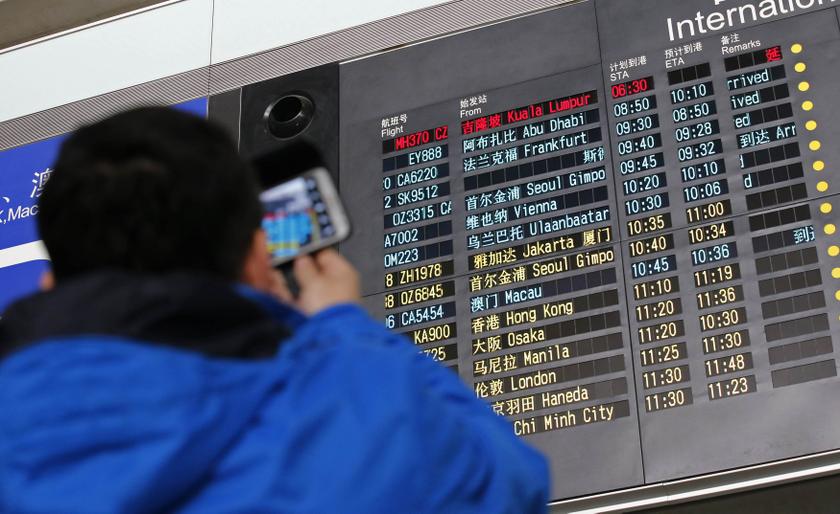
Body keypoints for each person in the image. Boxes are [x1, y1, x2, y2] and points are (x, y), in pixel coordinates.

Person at [0, 107, 549, 513]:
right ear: (257, 261)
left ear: (52, 282)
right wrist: (345, 332)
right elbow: (509, 487)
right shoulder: (366, 432)